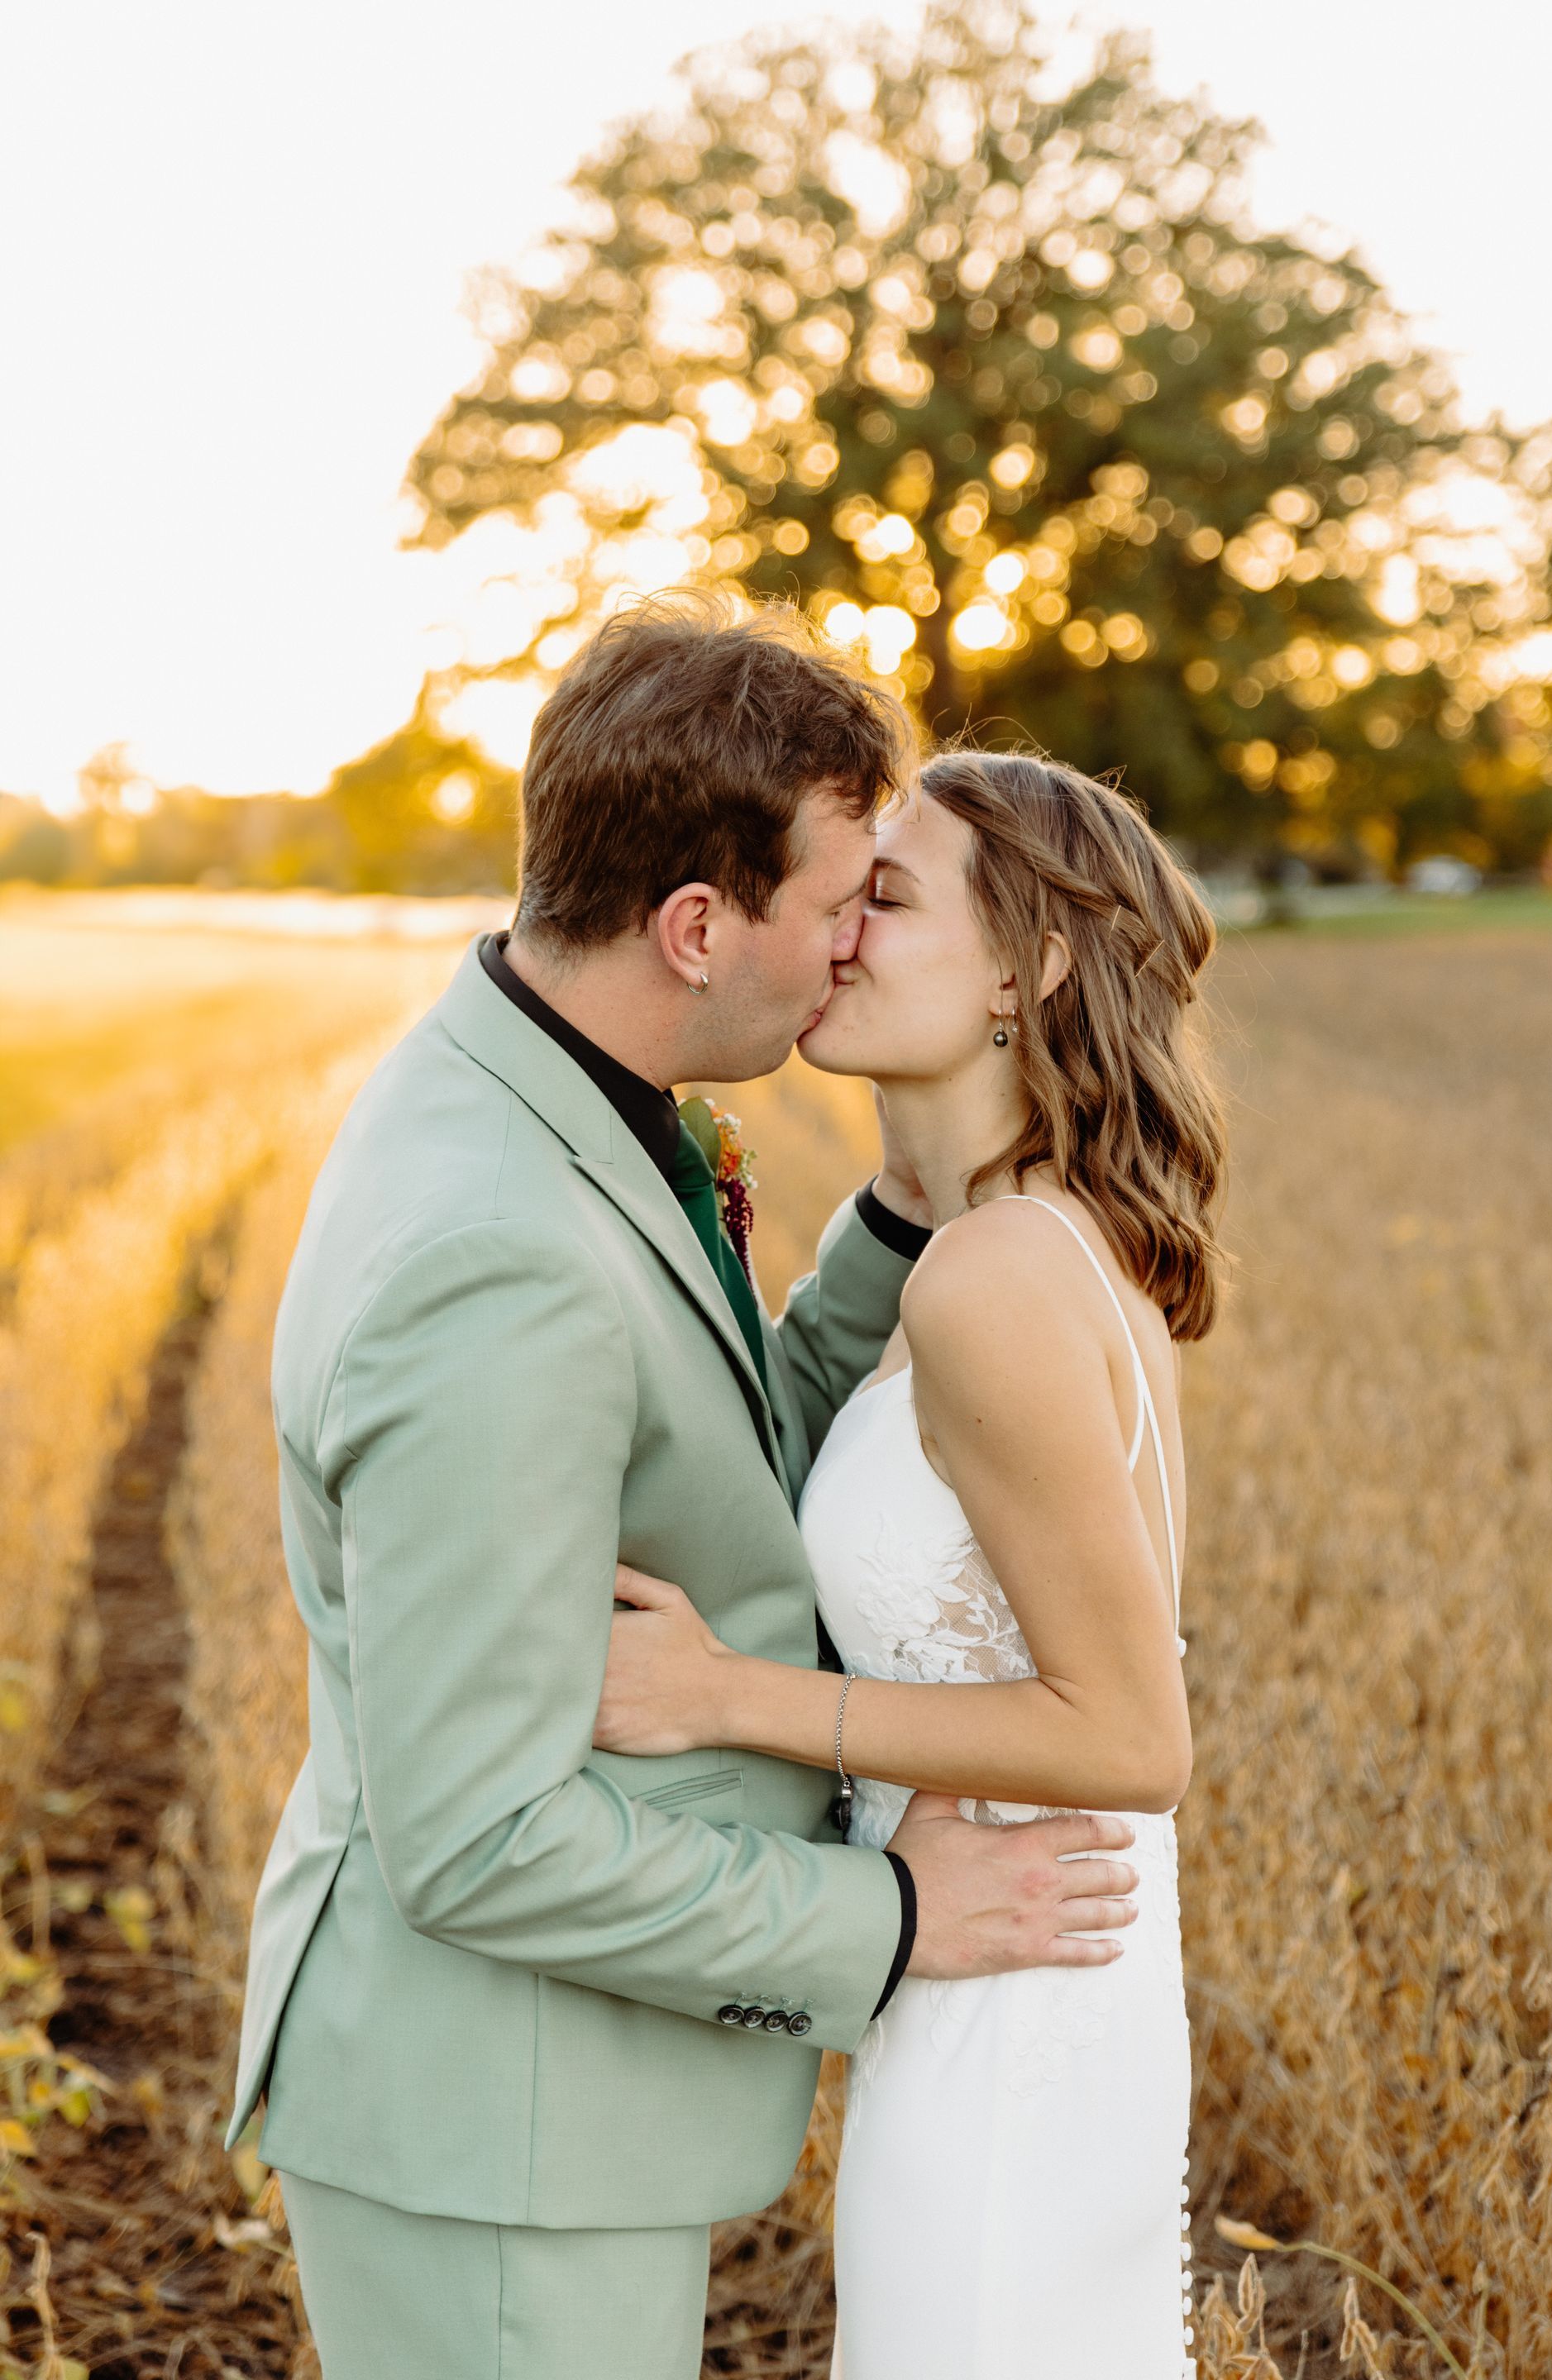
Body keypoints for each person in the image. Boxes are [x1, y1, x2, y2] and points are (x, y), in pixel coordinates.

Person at [226, 597, 1144, 2380]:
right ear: (699, 925)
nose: (849, 952)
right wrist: (889, 1924)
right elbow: (481, 1839)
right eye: (835, 905)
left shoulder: (549, 1086)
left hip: (543, 2119)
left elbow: (708, 1468)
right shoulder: (500, 1256)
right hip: (493, 2136)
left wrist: (892, 1219)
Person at [596, 746, 1225, 2375]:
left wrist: (728, 1697)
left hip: (1008, 2027)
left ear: (1030, 965)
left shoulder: (995, 1284)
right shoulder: (1048, 1246)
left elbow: (1132, 1733)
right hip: (1022, 1987)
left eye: (888, 896)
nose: (837, 934)